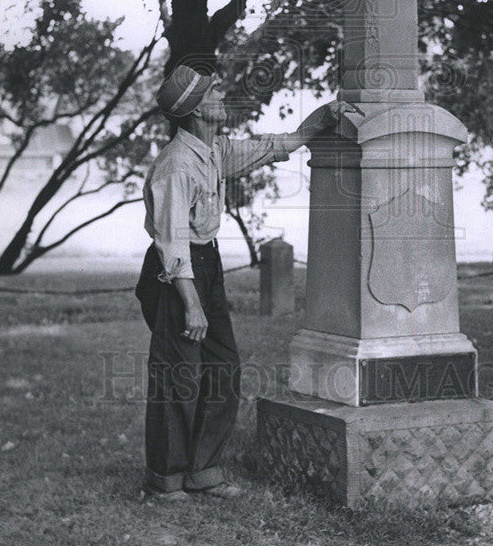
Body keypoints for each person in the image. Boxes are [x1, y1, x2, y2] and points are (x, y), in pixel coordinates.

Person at [135, 64, 347, 500]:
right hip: (177, 275)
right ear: (195, 112)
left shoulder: (213, 152)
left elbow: (271, 147)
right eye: (213, 93)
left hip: (205, 267)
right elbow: (171, 241)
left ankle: (203, 469)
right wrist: (191, 304)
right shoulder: (176, 166)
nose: (221, 96)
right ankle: (167, 477)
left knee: (222, 368)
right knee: (180, 375)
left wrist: (319, 120)